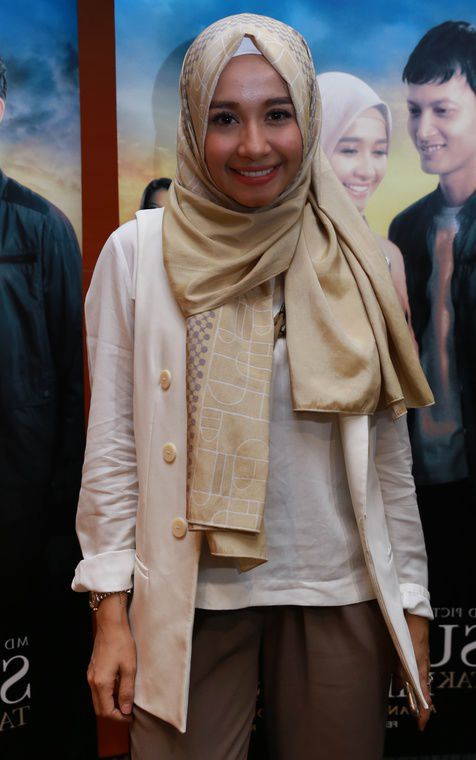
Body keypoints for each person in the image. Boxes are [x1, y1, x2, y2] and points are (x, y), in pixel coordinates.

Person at [73, 14, 435, 760]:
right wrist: (110, 612)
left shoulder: (357, 256)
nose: (254, 145)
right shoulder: (138, 254)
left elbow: (389, 457)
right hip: (189, 598)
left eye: (277, 115)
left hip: (337, 590)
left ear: (308, 118)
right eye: (224, 118)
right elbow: (111, 447)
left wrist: (412, 600)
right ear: (189, 125)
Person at [0, 57, 96, 757]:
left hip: (31, 523)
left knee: (44, 715)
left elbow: (72, 387)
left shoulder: (43, 230)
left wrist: (64, 521)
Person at [388, 21, 476, 598]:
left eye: (442, 110)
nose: (424, 130)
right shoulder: (406, 227)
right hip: (420, 483)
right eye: (415, 111)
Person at [318, 71, 413, 328]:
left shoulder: (387, 256)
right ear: (313, 148)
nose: (367, 171)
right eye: (349, 150)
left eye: (379, 151)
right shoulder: (276, 251)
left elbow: (404, 348)